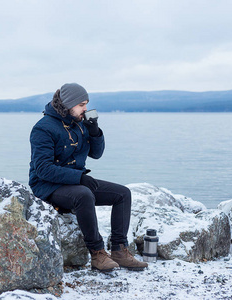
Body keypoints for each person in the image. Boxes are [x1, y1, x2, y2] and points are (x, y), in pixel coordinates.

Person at [29, 83, 147, 272]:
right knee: (84, 195)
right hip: (48, 186)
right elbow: (43, 169)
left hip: (75, 182)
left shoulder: (79, 124)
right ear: (69, 104)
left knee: (122, 194)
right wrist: (80, 178)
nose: (86, 109)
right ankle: (98, 254)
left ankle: (119, 251)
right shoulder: (43, 128)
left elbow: (96, 154)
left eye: (86, 104)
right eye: (82, 104)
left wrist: (95, 132)